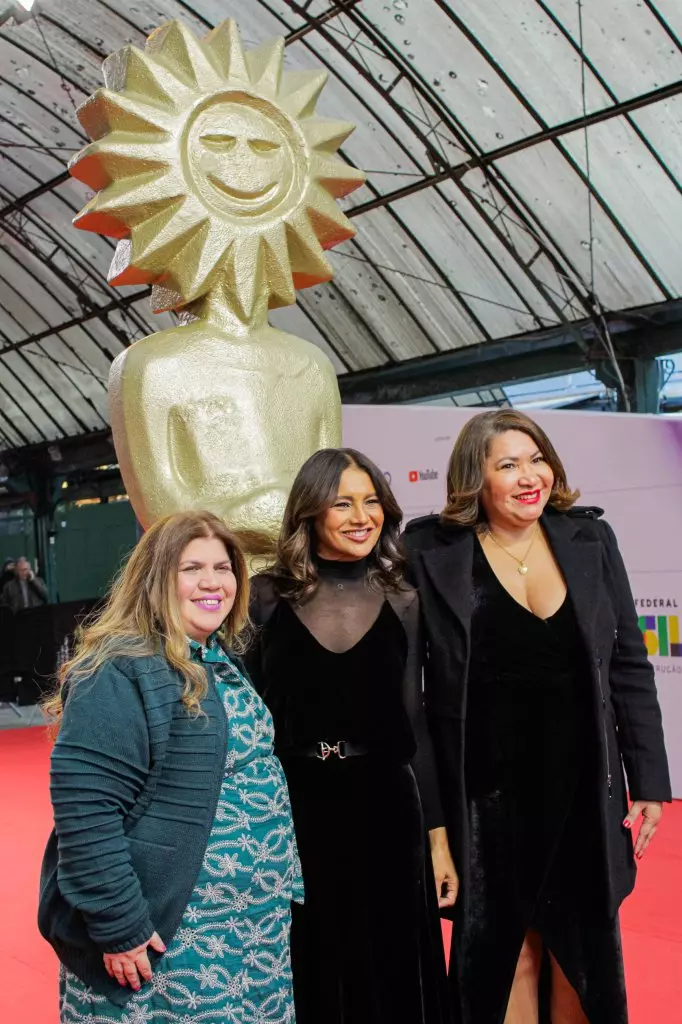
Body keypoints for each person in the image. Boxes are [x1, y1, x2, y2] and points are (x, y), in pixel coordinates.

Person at [403, 409, 671, 1024]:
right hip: (484, 800)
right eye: (508, 465)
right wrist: (436, 826)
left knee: (581, 954)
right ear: (476, 478)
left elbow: (628, 664)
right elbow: (411, 699)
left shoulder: (589, 540)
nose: (530, 477)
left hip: (582, 792)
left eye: (537, 459)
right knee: (506, 958)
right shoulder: (430, 551)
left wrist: (649, 780)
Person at [38, 511, 302, 1024]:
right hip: (173, 941)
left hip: (250, 933)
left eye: (223, 568)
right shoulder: (118, 665)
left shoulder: (216, 655)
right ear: (156, 578)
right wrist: (120, 925)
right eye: (192, 568)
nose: (212, 582)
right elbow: (85, 810)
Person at [246, 448, 456, 1024]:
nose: (363, 516)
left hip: (386, 805)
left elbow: (416, 722)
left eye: (372, 502)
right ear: (310, 513)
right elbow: (246, 721)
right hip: (291, 806)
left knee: (389, 969)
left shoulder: (404, 598)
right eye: (343, 503)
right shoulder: (264, 598)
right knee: (307, 961)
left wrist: (439, 840)